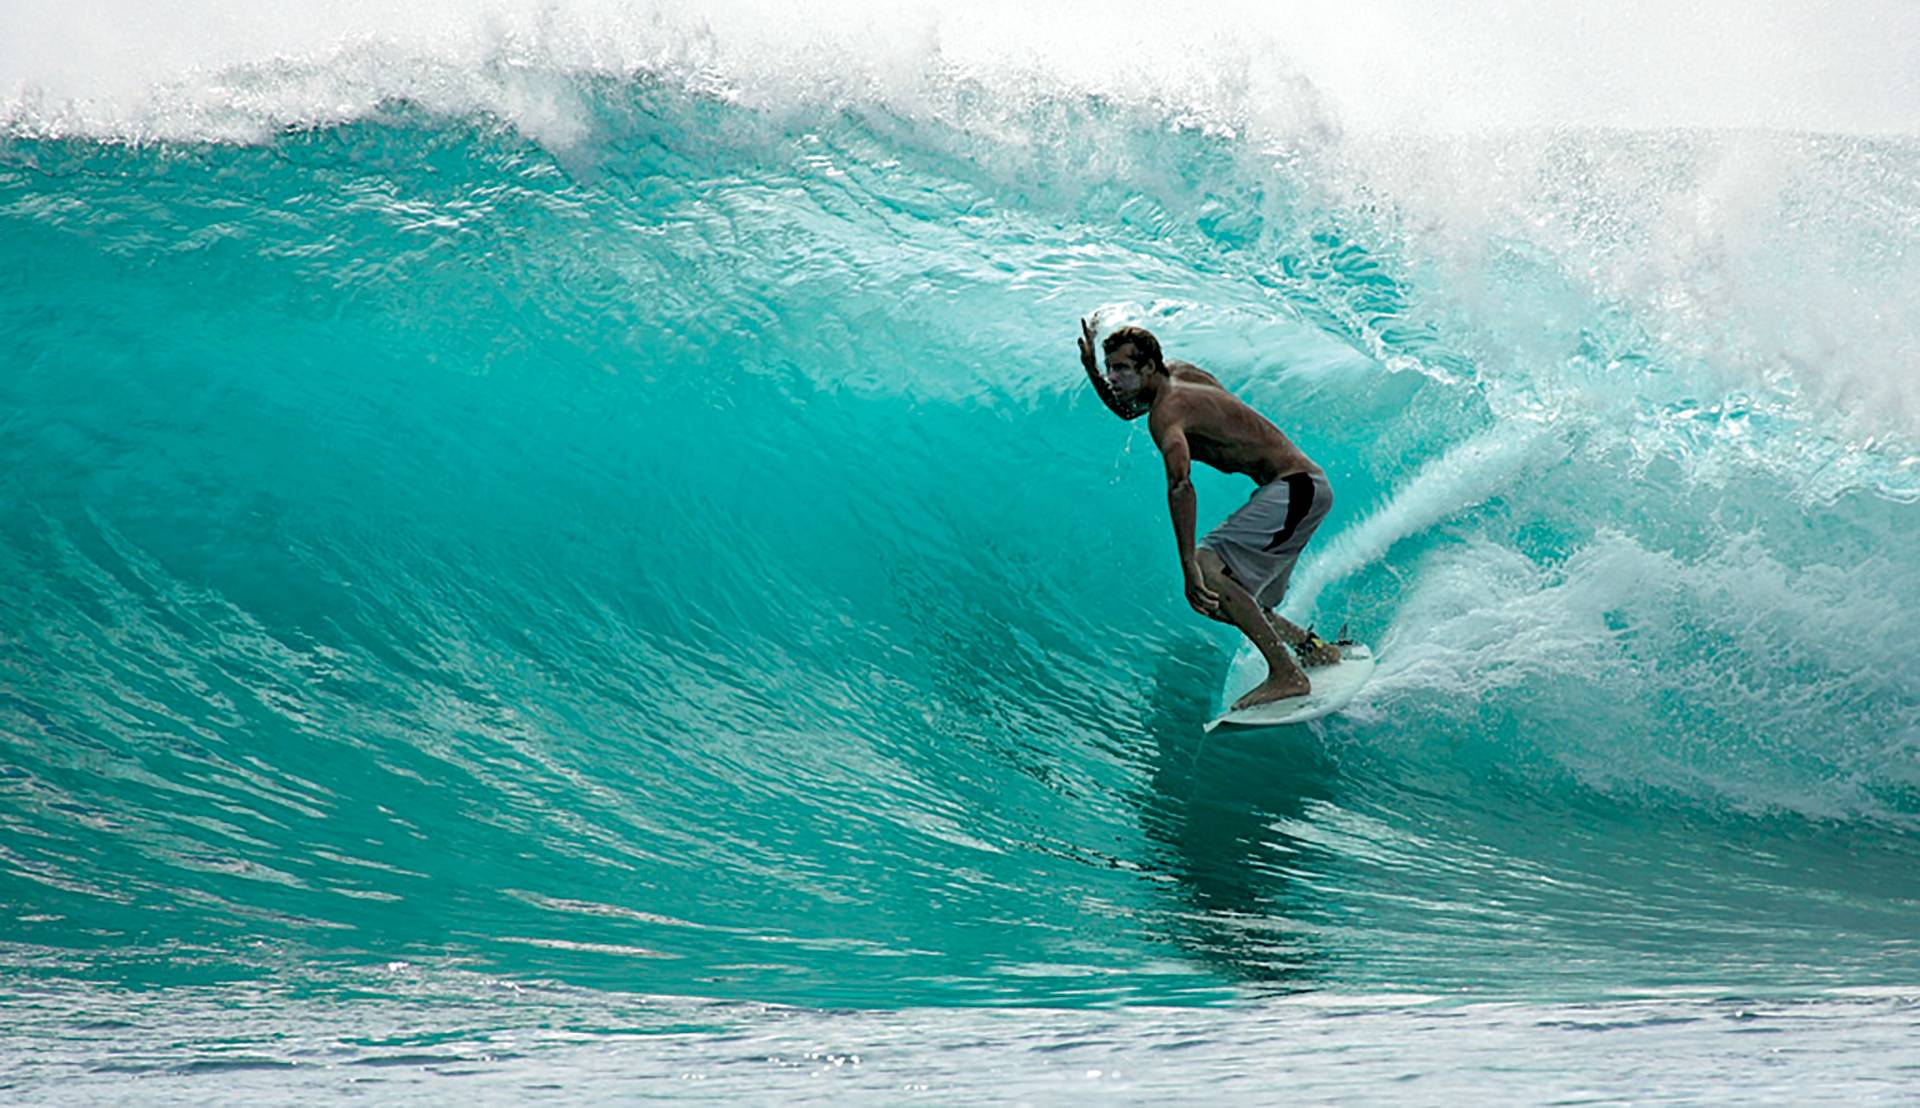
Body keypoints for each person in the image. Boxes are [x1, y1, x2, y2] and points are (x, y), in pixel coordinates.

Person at [1078, 319, 1340, 709]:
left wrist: (1188, 563)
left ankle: (1288, 675)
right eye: (1110, 367)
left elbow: (1181, 485)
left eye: (1122, 369)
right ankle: (1312, 649)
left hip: (1296, 489)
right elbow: (1127, 409)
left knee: (1207, 571)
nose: (1113, 377)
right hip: (1300, 489)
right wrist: (1092, 370)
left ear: (1148, 367)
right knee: (1235, 600)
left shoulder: (1166, 415)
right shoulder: (1181, 373)